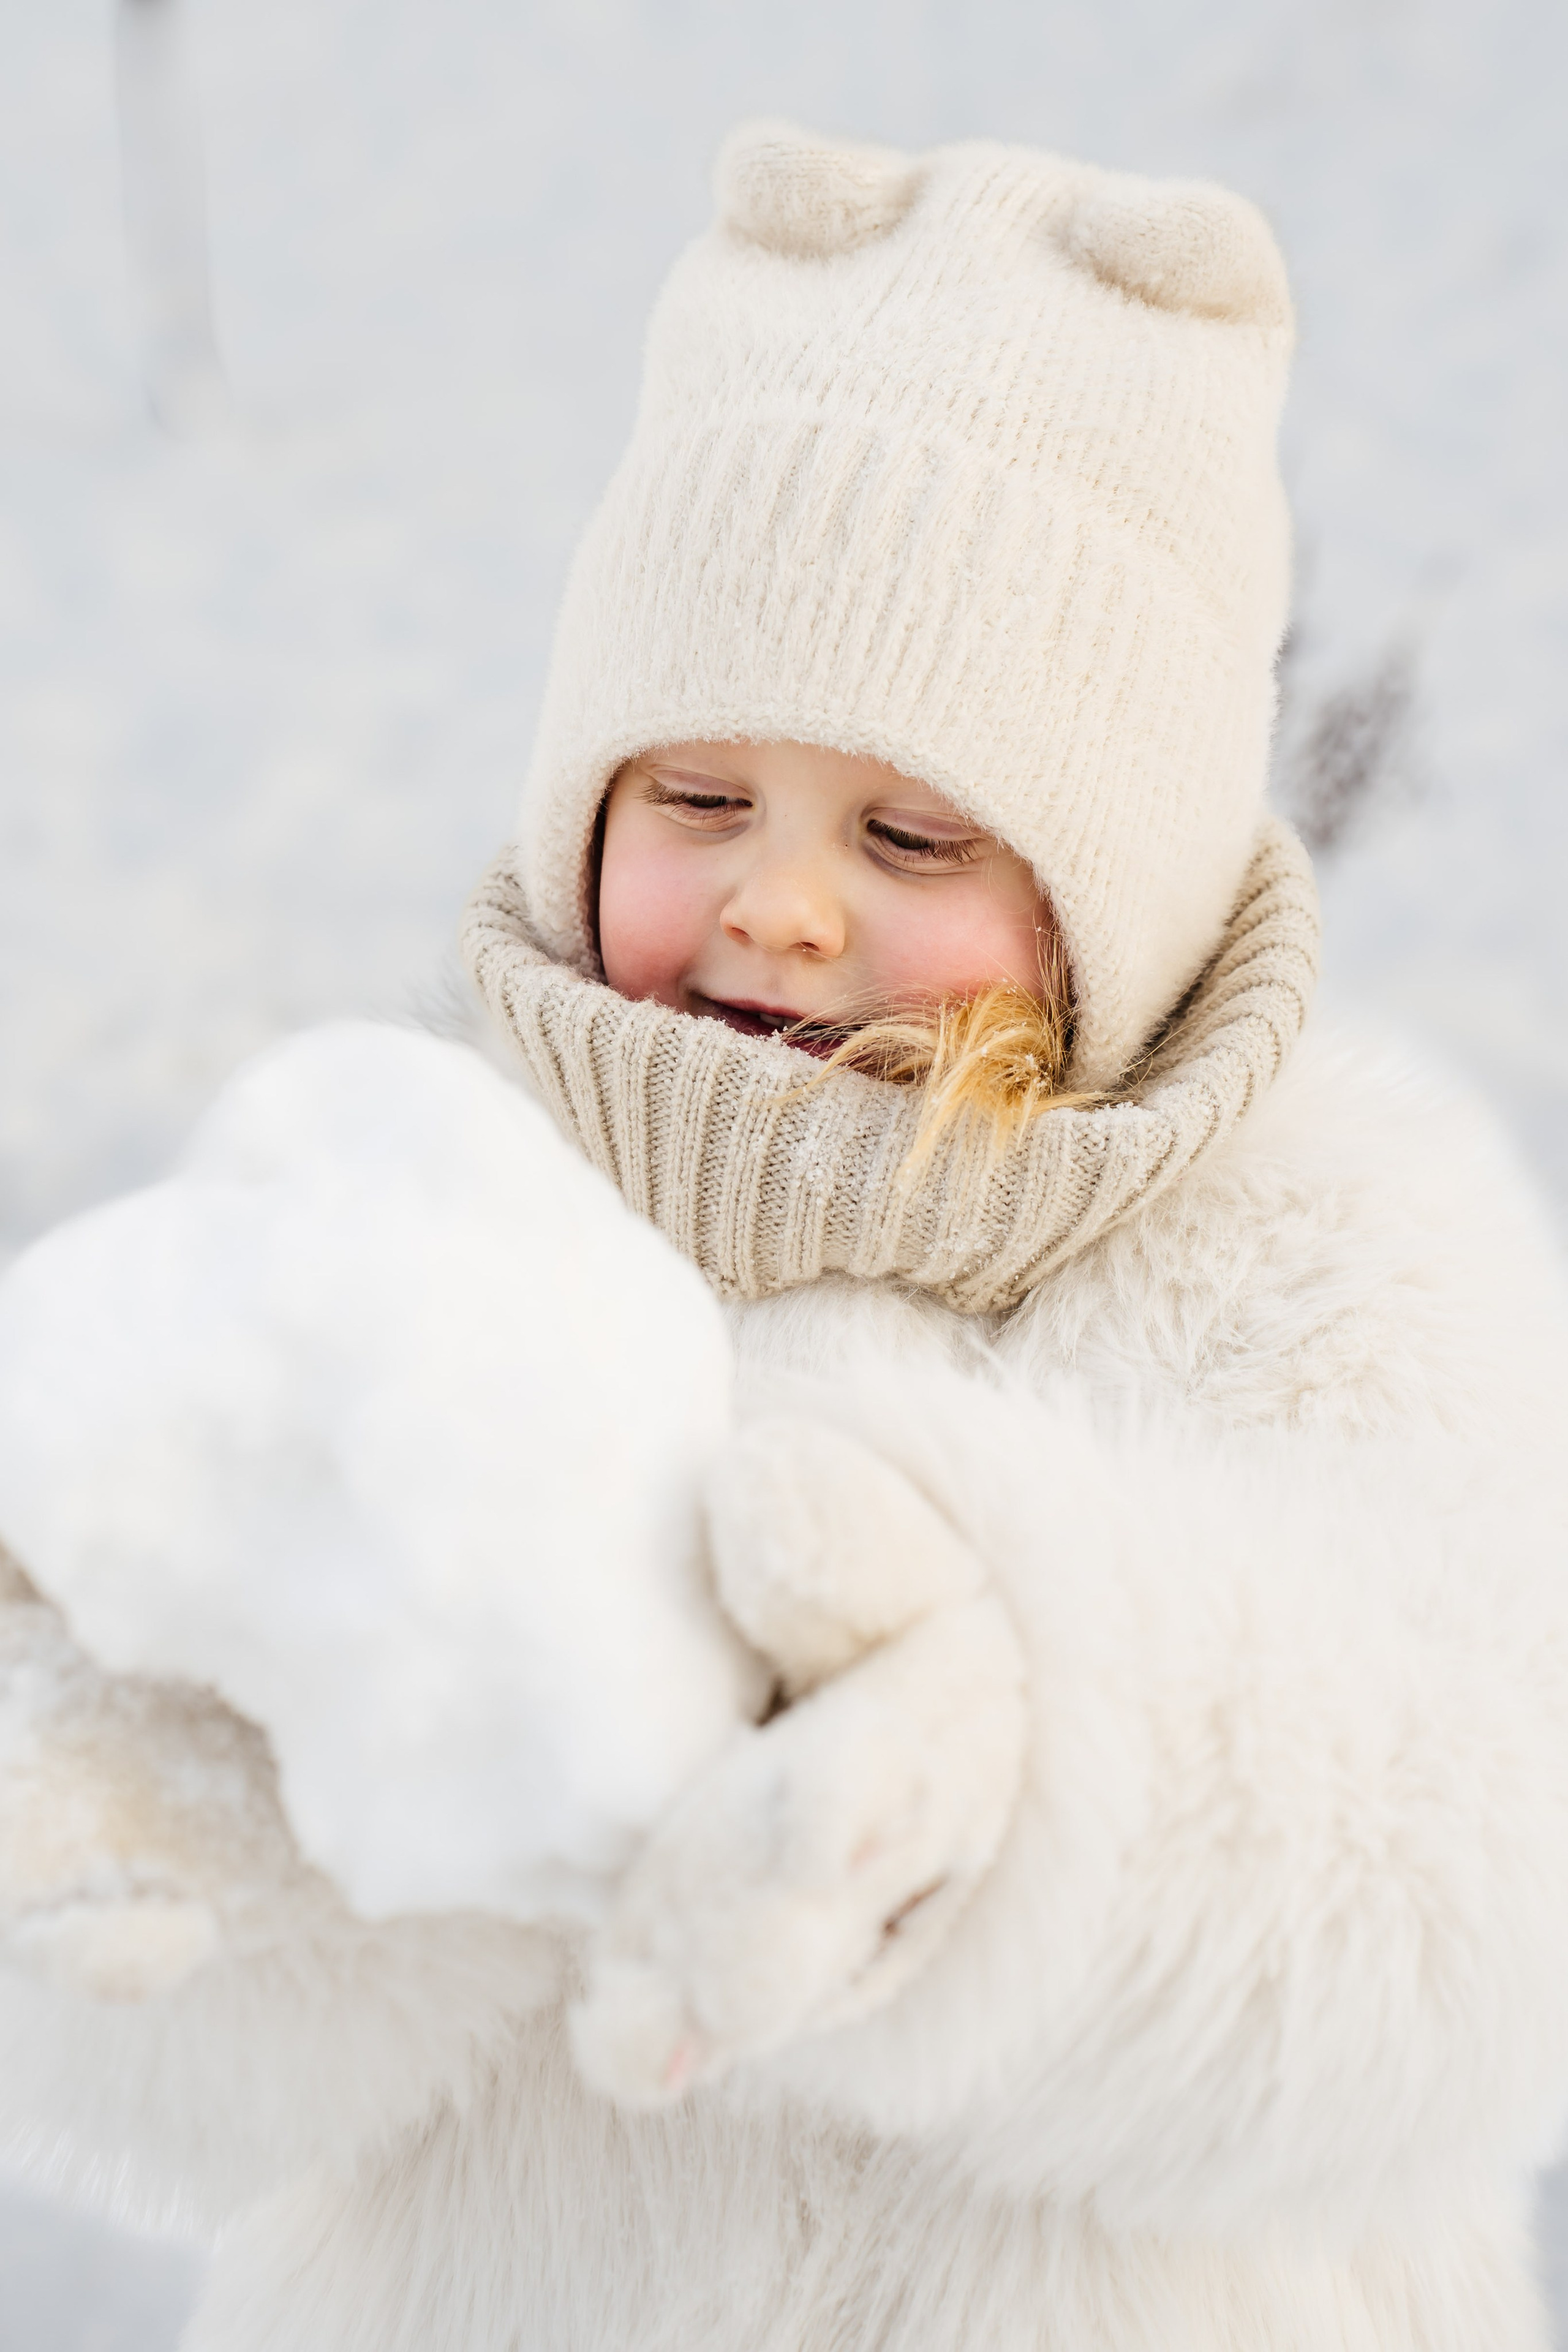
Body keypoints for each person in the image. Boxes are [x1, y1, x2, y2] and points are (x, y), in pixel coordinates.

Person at [4, 120, 1568, 2351]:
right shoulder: (429, 1231)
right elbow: (188, 2080)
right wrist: (194, 1818)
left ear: (1105, 894)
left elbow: (1475, 1893)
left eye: (912, 830)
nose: (782, 901)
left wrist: (1026, 1768)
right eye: (699, 797)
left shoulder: (1327, 1246)